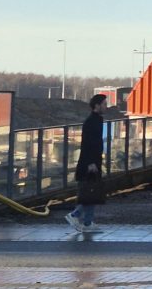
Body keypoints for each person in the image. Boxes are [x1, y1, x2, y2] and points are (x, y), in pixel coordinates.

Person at [65, 94, 107, 233]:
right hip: (90, 162)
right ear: (97, 105)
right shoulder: (92, 122)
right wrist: (91, 162)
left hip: (92, 161)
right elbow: (88, 143)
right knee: (90, 192)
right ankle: (76, 216)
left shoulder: (96, 120)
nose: (106, 106)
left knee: (91, 192)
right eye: (104, 104)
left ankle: (87, 222)